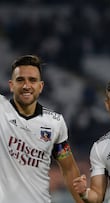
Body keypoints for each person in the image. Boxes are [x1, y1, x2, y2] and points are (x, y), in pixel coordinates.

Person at [0, 55, 83, 202]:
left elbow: (69, 169)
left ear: (41, 86)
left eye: (32, 80)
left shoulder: (54, 123)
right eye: (20, 80)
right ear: (11, 85)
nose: (26, 86)